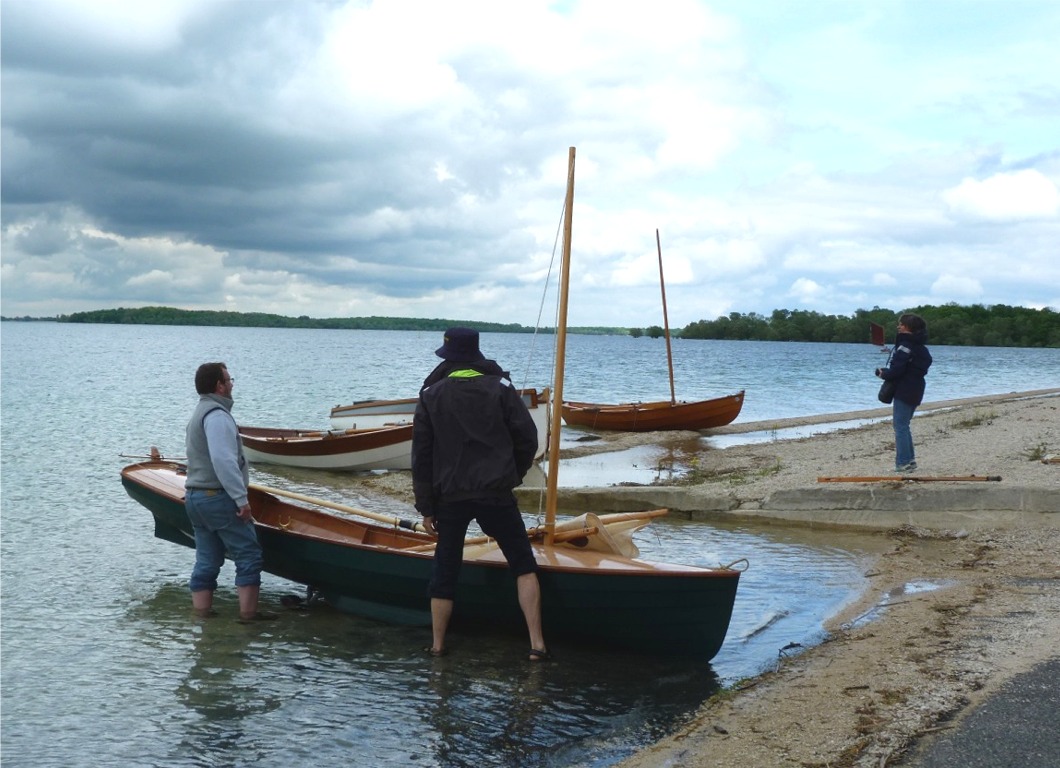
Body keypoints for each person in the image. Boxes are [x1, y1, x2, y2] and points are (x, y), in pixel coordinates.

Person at [411, 327, 551, 661]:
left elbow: (422, 457)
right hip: (496, 492)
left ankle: (438, 646)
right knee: (523, 563)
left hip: (451, 497)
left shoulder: (431, 395)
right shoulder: (502, 389)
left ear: (448, 358)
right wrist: (511, 475)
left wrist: (426, 508)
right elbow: (528, 440)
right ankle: (536, 644)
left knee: (445, 569)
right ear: (475, 354)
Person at [184, 362, 276, 623]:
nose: (232, 383)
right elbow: (223, 461)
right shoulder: (217, 416)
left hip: (194, 498)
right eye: (229, 379)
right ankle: (248, 618)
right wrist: (241, 500)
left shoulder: (198, 413)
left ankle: (202, 619)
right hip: (217, 498)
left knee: (207, 560)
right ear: (219, 386)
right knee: (248, 555)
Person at [875, 313, 933, 472]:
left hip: (904, 390)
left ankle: (903, 463)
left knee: (900, 426)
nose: (898, 327)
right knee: (904, 426)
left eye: (901, 324)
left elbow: (897, 370)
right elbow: (911, 369)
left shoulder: (906, 346)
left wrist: (883, 373)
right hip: (917, 389)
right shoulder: (922, 348)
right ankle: (910, 461)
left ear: (909, 327)